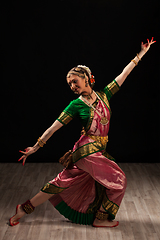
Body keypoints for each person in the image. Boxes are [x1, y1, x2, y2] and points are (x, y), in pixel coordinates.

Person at [9, 38, 156, 227]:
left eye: (74, 81)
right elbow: (53, 127)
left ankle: (22, 209)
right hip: (87, 151)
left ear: (86, 77)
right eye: (69, 84)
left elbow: (123, 74)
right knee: (119, 180)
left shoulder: (105, 95)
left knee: (61, 182)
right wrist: (35, 148)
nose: (72, 86)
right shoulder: (76, 105)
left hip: (93, 151)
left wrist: (141, 53)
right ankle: (100, 219)